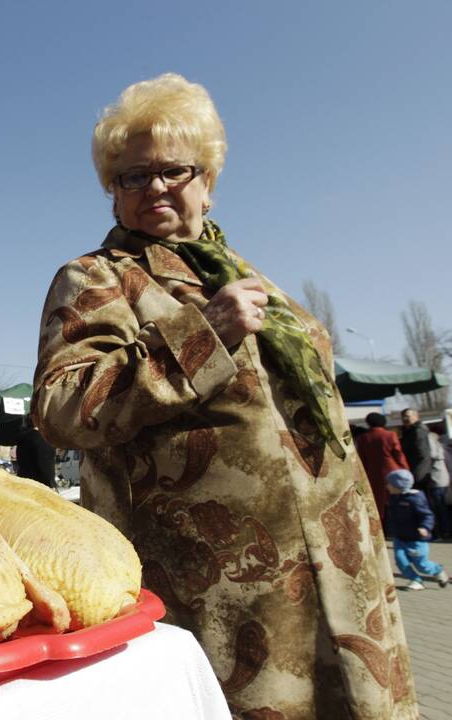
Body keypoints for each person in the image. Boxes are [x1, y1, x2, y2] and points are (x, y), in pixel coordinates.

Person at [31, 73, 414, 717]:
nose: (153, 186)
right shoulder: (99, 278)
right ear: (113, 194)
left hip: (342, 577)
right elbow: (63, 409)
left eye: (173, 170)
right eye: (131, 176)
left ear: (207, 182)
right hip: (219, 591)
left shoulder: (253, 279)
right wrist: (204, 333)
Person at [386, 469, 449, 590]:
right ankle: (415, 580)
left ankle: (437, 570)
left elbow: (427, 515)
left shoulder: (415, 499)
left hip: (416, 539)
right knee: (400, 561)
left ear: (399, 485)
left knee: (421, 564)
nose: (387, 486)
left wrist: (424, 527)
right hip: (400, 538)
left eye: (390, 484)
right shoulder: (394, 497)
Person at [354, 412, 408, 525]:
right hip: (393, 470)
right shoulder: (390, 435)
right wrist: (405, 470)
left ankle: (382, 526)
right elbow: (398, 454)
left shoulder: (362, 438)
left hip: (373, 473)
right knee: (397, 498)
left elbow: (362, 459)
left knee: (379, 501)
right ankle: (400, 523)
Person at [14, 420, 57, 488]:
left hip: (24, 483)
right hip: (39, 487)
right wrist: (51, 484)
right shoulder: (41, 438)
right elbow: (46, 466)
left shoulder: (25, 437)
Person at [427, 425, 451, 538]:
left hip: (438, 480)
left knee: (440, 507)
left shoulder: (436, 451)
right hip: (443, 480)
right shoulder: (444, 448)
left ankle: (445, 530)